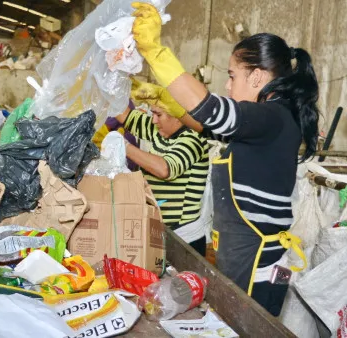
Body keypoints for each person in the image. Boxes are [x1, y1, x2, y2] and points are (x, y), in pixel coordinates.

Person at [131, 3, 317, 315]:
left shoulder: (271, 116)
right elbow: (204, 125)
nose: (228, 86)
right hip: (247, 255)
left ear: (257, 77)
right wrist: (166, 100)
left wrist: (154, 51)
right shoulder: (268, 119)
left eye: (232, 76)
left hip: (261, 264)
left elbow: (211, 112)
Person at [114, 86, 210, 256]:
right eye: (153, 114)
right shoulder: (160, 131)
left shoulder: (193, 138)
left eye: (159, 115)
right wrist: (109, 83)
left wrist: (124, 146)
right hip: (161, 231)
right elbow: (126, 116)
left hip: (184, 239)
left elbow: (164, 169)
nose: (154, 121)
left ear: (179, 117)